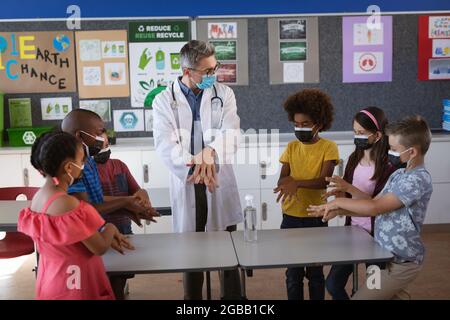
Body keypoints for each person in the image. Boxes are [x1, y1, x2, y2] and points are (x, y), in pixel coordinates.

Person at [152, 40, 242, 300]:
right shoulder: (163, 100)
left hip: (218, 179)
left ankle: (232, 302)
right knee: (190, 254)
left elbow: (231, 132)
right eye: (208, 71)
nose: (214, 75)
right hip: (188, 179)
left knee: (227, 250)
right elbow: (166, 146)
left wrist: (209, 153)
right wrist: (197, 165)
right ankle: (192, 303)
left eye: (216, 68)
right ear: (188, 71)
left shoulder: (223, 94)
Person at [308, 115, 433, 300]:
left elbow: (375, 208)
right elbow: (371, 201)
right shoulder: (400, 173)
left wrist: (337, 202)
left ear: (412, 152)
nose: (389, 152)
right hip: (382, 254)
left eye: (393, 149)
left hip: (400, 262)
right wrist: (339, 211)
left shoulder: (417, 179)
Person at [18, 131, 134, 300]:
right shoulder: (68, 204)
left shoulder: (38, 198)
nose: (84, 164)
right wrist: (110, 227)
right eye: (81, 160)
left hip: (50, 278)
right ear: (69, 167)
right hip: (75, 284)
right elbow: (100, 247)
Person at [324, 107, 396, 300]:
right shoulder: (354, 158)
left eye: (362, 133)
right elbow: (349, 196)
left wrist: (347, 187)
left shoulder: (389, 166)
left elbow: (377, 205)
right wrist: (339, 193)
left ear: (378, 135)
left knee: (374, 290)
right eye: (355, 132)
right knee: (332, 283)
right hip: (353, 231)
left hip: (376, 237)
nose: (357, 137)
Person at [274, 88, 339, 300]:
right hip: (291, 217)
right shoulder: (292, 147)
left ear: (318, 124)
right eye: (296, 124)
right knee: (293, 274)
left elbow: (323, 180)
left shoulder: (328, 147)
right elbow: (283, 180)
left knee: (315, 273)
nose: (299, 128)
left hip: (316, 216)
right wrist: (288, 183)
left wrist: (297, 182)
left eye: (305, 124)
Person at [94, 133, 154, 299]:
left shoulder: (119, 165)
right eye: (99, 141)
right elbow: (93, 201)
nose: (104, 144)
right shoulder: (88, 170)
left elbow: (137, 190)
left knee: (119, 277)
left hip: (123, 230)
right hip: (99, 232)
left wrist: (143, 198)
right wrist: (127, 201)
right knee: (103, 277)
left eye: (105, 140)